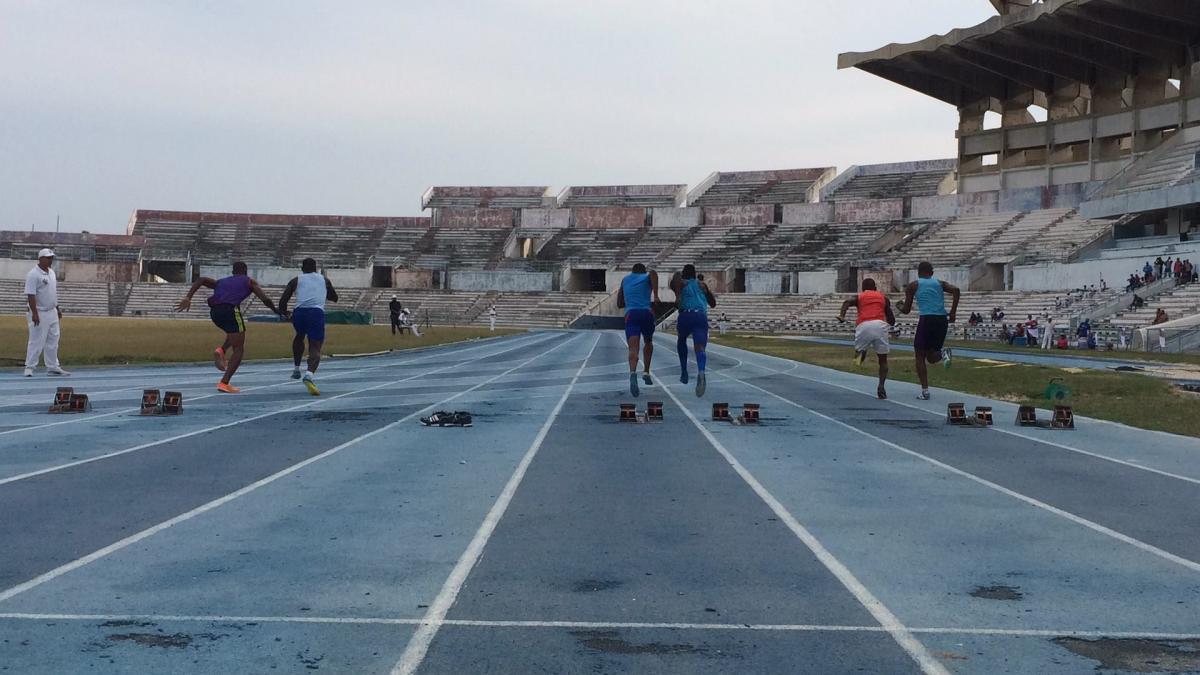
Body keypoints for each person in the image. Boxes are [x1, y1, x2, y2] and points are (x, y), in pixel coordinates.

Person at [175, 261, 282, 393]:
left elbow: (201, 280)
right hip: (230, 309)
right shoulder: (249, 281)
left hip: (215, 312)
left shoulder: (221, 282)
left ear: (232, 272)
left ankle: (221, 350)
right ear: (245, 271)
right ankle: (224, 383)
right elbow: (265, 299)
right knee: (239, 348)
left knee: (234, 332)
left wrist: (188, 297)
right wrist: (276, 310)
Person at [898, 261, 960, 400]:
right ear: (931, 273)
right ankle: (944, 353)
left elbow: (907, 310)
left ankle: (925, 391)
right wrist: (953, 312)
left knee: (919, 354)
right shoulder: (940, 283)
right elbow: (956, 290)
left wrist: (900, 307)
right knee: (931, 357)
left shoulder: (913, 285)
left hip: (927, 318)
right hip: (941, 320)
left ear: (918, 272)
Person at [279, 258, 339, 396]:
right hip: (316, 312)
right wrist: (324, 292)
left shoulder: (296, 280)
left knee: (299, 336)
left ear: (302, 268)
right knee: (315, 346)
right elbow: (334, 297)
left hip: (299, 312)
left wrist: (285, 313)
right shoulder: (324, 280)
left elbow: (283, 301)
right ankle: (309, 374)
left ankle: (296, 368)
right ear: (316, 268)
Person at [838, 278, 895, 399]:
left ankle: (862, 352)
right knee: (883, 360)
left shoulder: (860, 296)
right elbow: (891, 318)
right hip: (880, 326)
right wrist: (890, 325)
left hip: (863, 326)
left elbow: (846, 302)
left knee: (857, 358)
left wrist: (842, 316)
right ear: (875, 288)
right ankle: (881, 386)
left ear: (863, 289)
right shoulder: (883, 298)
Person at [670, 264, 717, 397]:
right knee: (700, 348)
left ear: (684, 274)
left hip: (685, 315)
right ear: (695, 274)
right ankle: (701, 371)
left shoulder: (681, 283)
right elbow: (713, 304)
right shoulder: (701, 285)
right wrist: (706, 290)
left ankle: (684, 371)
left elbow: (675, 279)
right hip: (700, 316)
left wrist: (678, 294)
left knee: (681, 340)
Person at [24, 248, 69, 377]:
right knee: (36, 340)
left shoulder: (52, 273)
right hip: (40, 311)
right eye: (48, 258)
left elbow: (52, 293)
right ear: (40, 258)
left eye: (51, 258)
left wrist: (57, 308)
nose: (50, 260)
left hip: (52, 311)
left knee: (53, 340)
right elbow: (31, 295)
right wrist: (35, 314)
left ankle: (53, 366)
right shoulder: (33, 274)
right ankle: (30, 367)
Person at [616, 263, 660, 397]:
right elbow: (653, 273)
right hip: (646, 313)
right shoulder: (647, 276)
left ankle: (633, 373)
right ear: (643, 272)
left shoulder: (625, 280)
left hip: (631, 314)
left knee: (633, 348)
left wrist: (629, 299)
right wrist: (656, 295)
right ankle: (646, 371)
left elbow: (619, 303)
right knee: (648, 342)